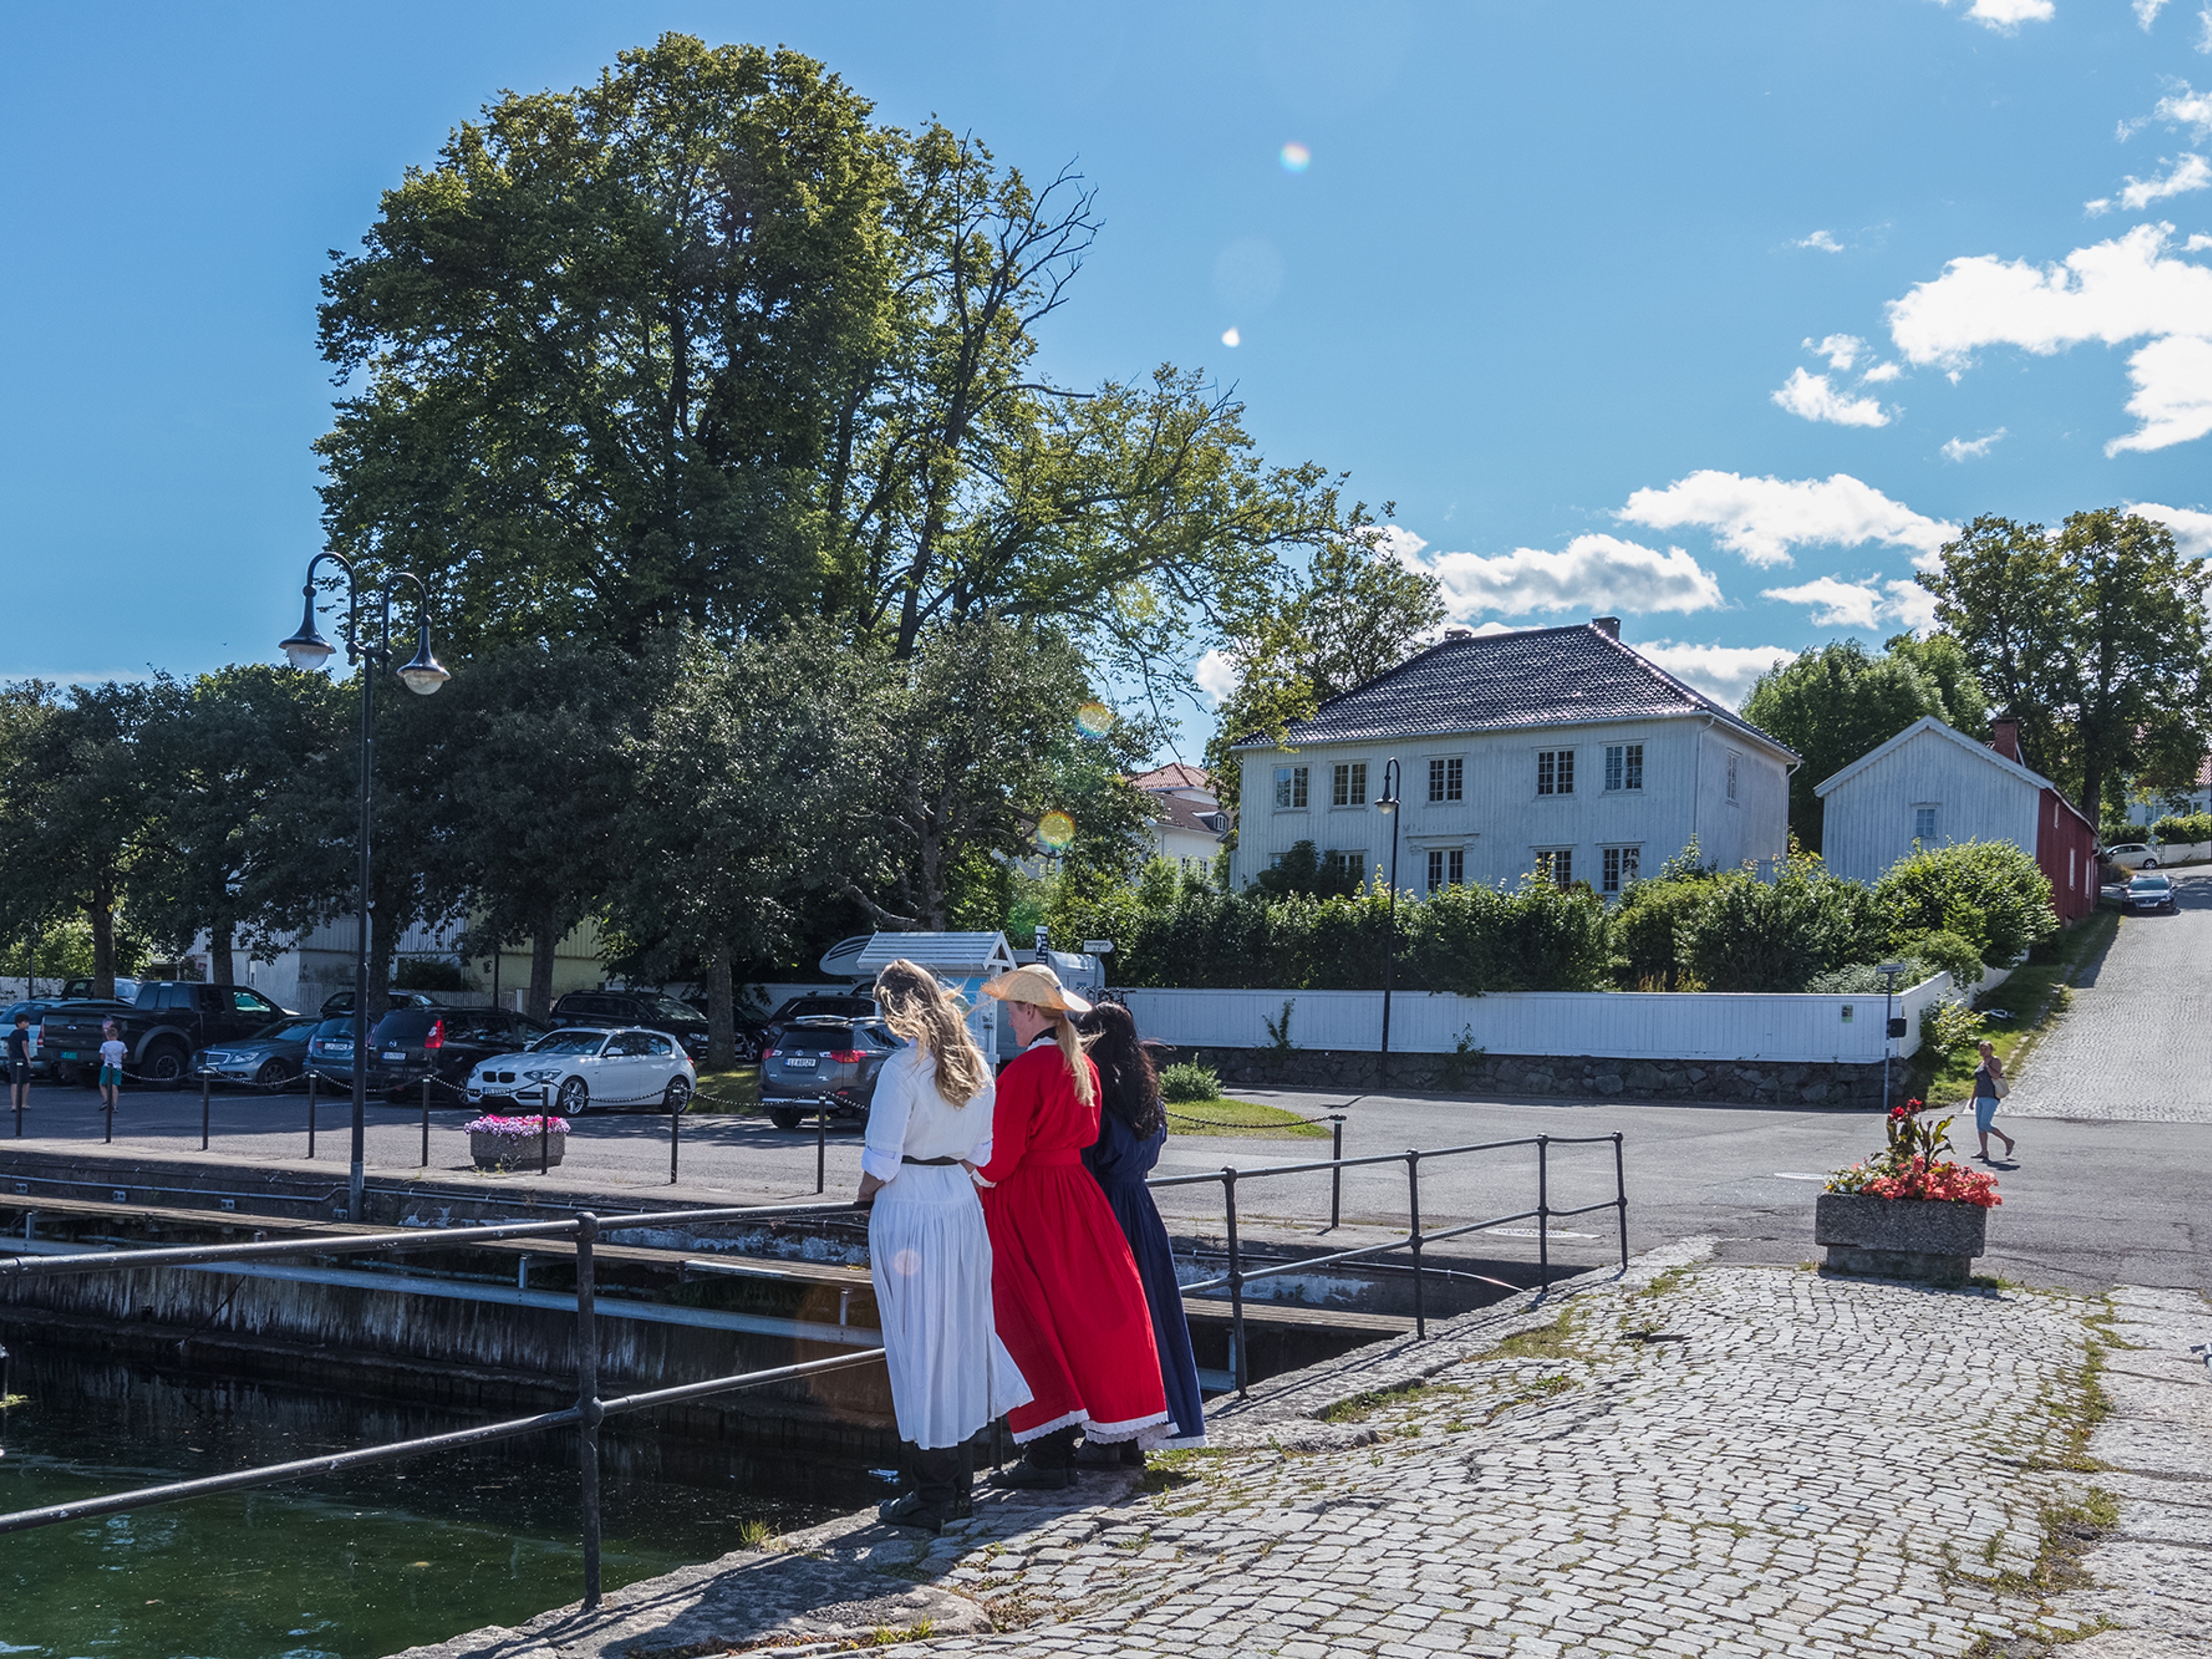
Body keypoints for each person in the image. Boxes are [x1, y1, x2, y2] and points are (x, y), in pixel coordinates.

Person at [977, 963, 1168, 1488]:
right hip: (1077, 1201)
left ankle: (1047, 1452)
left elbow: (1000, 1161)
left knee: (1029, 1318)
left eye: (1014, 1010)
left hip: (1030, 1205)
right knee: (1095, 1315)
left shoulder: (1023, 1073)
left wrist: (965, 1174)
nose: (1010, 1020)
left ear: (1033, 1012)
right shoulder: (1079, 1065)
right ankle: (1117, 1433)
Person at [856, 960, 1031, 1533]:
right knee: (956, 1340)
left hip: (910, 1206)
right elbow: (982, 1153)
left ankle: (930, 1493)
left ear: (895, 1008)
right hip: (959, 1204)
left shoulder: (902, 1070)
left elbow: (880, 1162)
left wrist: (860, 1199)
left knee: (917, 1345)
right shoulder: (975, 1064)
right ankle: (957, 1485)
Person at [1073, 1001, 1206, 1460]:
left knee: (1104, 1323)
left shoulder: (1093, 1093)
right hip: (1142, 1211)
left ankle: (1109, 1433)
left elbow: (1086, 1158)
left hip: (1103, 1209)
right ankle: (1148, 1426)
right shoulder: (1147, 1093)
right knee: (1150, 1317)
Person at [1971, 1040, 2016, 1162]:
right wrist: (1972, 1100)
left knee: (1985, 1124)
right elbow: (1978, 1084)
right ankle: (1984, 1151)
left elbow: (1996, 1076)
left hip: (1991, 1097)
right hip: (1981, 1097)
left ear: (1991, 1050)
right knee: (1980, 1126)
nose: (1983, 1051)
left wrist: (1988, 1067)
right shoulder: (1981, 1063)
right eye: (1981, 1049)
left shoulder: (1995, 1061)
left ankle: (2008, 1141)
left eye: (1986, 1049)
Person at [7, 1011, 32, 1118]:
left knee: (14, 1082)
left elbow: (8, 1047)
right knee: (26, 1082)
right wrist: (29, 1059)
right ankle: (24, 1103)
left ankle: (14, 1105)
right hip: (22, 1059)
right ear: (20, 1023)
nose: (28, 1024)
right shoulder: (24, 1034)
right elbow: (24, 1045)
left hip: (13, 1059)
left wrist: (10, 1057)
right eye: (25, 1022)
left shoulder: (13, 1033)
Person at [97, 1021, 126, 1113]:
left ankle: (106, 1100)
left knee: (102, 1084)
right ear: (117, 1035)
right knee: (114, 1086)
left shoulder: (105, 1045)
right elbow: (124, 1056)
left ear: (108, 1036)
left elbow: (102, 1057)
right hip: (118, 1067)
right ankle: (116, 1105)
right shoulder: (122, 1045)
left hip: (107, 1066)